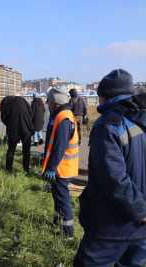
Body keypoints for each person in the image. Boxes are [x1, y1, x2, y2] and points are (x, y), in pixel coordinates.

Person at [74, 69, 146, 266]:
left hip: (112, 225)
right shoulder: (141, 119)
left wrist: (140, 210)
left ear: (103, 97)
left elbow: (113, 178)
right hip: (141, 228)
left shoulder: (108, 125)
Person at [42, 85, 79, 239]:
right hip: (60, 166)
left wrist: (51, 167)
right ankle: (57, 221)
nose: (47, 104)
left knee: (62, 199)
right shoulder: (62, 114)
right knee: (57, 195)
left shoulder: (63, 117)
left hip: (61, 168)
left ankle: (68, 235)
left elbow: (59, 147)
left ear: (55, 102)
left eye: (49, 101)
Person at [1, 96, 34, 175]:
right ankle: (26, 170)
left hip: (13, 129)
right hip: (26, 128)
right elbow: (30, 112)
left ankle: (8, 169)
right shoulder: (23, 100)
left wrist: (9, 124)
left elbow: (3, 118)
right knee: (26, 151)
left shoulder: (6, 104)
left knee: (11, 150)